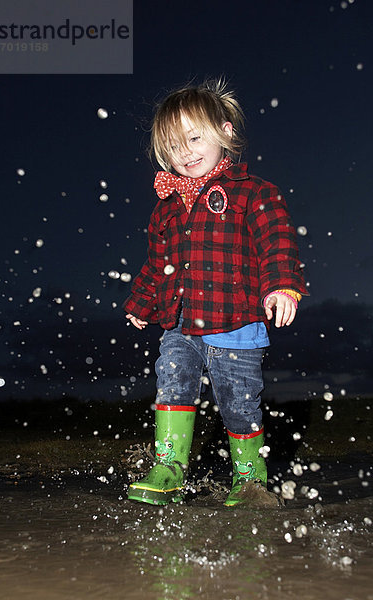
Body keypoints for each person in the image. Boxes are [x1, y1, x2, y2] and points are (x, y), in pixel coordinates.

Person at [123, 79, 308, 506]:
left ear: (224, 132)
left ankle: (249, 479)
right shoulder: (165, 209)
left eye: (193, 138)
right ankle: (169, 468)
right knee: (171, 383)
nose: (185, 152)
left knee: (238, 404)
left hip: (236, 325)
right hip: (180, 323)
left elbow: (278, 241)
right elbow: (157, 263)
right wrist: (142, 302)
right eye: (173, 145)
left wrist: (282, 286)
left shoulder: (253, 192)